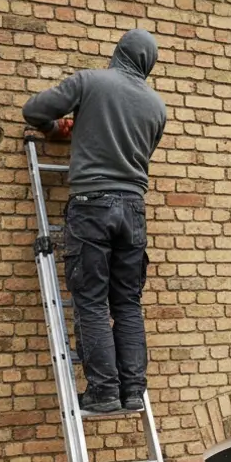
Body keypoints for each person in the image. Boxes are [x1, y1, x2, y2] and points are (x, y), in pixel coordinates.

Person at [22, 29, 167, 414]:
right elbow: (140, 151)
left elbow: (34, 110)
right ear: (147, 64)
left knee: (90, 300)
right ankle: (133, 390)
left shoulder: (90, 81)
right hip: (134, 210)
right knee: (127, 302)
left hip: (92, 205)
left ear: (118, 53)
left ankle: (103, 391)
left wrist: (58, 130)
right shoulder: (157, 107)